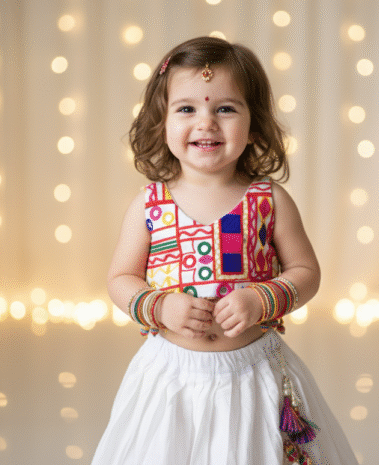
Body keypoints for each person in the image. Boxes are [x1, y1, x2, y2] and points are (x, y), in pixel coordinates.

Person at [92, 36, 357, 465]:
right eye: (186, 109)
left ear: (254, 127)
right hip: (171, 379)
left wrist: (260, 298)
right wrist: (160, 307)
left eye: (226, 109)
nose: (206, 123)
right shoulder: (149, 204)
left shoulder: (268, 200)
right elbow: (121, 278)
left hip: (254, 376)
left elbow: (306, 271)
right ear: (161, 123)